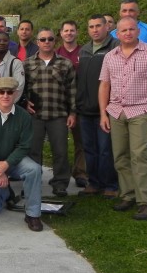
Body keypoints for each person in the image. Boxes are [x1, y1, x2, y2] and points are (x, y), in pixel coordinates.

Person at [99, 16, 147, 220]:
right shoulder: (110, 56)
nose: (128, 33)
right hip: (116, 112)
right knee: (120, 156)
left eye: (131, 29)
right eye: (123, 31)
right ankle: (128, 195)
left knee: (140, 155)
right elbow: (104, 85)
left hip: (141, 110)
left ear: (138, 31)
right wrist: (103, 113)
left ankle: (146, 202)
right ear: (117, 34)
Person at [0, 77, 43, 232]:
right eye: (1, 92)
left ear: (16, 94)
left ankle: (32, 214)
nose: (5, 95)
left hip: (13, 162)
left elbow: (24, 146)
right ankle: (6, 192)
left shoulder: (24, 116)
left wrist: (6, 165)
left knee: (34, 169)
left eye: (10, 92)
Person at [23, 28, 76, 197]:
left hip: (58, 114)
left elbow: (72, 90)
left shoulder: (65, 63)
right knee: (33, 151)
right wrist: (24, 103)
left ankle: (60, 183)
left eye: (50, 39)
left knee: (60, 151)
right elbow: (21, 89)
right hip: (35, 116)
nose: (46, 42)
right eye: (43, 39)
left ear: (55, 41)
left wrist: (72, 113)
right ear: (37, 42)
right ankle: (33, 182)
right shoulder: (27, 63)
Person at [76, 15, 119, 198]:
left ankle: (110, 185)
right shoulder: (85, 49)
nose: (95, 29)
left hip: (105, 109)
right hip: (85, 109)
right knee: (89, 149)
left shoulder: (115, 47)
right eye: (91, 26)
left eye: (98, 26)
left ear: (107, 27)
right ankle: (93, 183)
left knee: (105, 150)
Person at [56, 20, 88, 188]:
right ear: (61, 33)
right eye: (66, 30)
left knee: (80, 140)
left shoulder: (84, 52)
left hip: (81, 102)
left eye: (72, 30)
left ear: (76, 32)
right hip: (60, 104)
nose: (69, 33)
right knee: (60, 142)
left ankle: (80, 172)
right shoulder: (55, 53)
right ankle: (61, 174)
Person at [0, 31, 24, 101]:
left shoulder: (16, 63)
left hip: (9, 105)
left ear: (9, 43)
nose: (2, 43)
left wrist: (7, 104)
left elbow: (19, 87)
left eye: (5, 41)